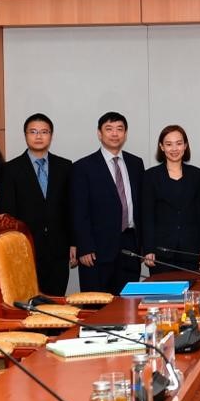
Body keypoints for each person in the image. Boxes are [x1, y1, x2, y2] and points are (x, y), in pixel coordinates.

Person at [0, 114, 75, 295]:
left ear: (51, 136)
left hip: (59, 249)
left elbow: (71, 208)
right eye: (33, 132)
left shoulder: (65, 166)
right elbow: (7, 213)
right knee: (29, 302)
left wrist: (74, 243)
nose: (38, 136)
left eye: (44, 132)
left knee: (56, 301)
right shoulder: (10, 169)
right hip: (25, 249)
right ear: (25, 135)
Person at [72, 112, 144, 293]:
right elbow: (79, 211)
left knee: (128, 301)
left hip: (130, 245)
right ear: (99, 133)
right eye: (109, 129)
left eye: (120, 129)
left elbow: (140, 205)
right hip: (96, 249)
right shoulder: (83, 167)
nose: (115, 134)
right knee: (97, 304)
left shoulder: (136, 163)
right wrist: (84, 247)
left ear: (125, 134)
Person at [142, 125, 200, 274]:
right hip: (160, 251)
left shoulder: (197, 174)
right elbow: (147, 216)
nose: (174, 149)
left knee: (191, 288)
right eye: (169, 144)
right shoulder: (150, 176)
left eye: (179, 143)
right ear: (161, 147)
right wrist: (148, 249)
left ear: (185, 146)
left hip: (191, 249)